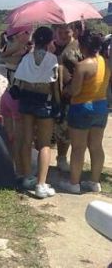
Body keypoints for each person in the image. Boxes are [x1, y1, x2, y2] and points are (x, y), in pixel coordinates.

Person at [59, 31, 111, 194]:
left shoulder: (82, 66)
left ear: (83, 46)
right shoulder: (105, 62)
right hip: (101, 107)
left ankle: (74, 183)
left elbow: (74, 91)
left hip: (81, 108)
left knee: (78, 148)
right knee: (96, 146)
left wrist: (65, 88)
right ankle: (94, 182)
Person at [14, 26, 60, 199]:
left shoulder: (26, 58)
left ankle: (27, 177)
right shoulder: (52, 58)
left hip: (26, 100)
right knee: (44, 144)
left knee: (26, 140)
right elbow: (55, 84)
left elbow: (20, 80)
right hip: (44, 101)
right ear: (50, 41)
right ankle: (41, 184)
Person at [0, 26, 32, 180]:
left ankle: (7, 165)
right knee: (19, 139)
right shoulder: (23, 54)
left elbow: (2, 57)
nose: (30, 35)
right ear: (19, 35)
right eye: (27, 33)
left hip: (6, 95)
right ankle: (19, 171)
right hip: (17, 97)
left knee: (8, 136)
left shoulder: (7, 49)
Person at [52, 23, 83, 172]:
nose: (63, 35)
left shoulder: (79, 47)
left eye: (67, 32)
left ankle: (62, 157)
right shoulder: (51, 46)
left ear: (73, 31)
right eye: (60, 32)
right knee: (50, 130)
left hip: (70, 96)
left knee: (65, 131)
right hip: (51, 94)